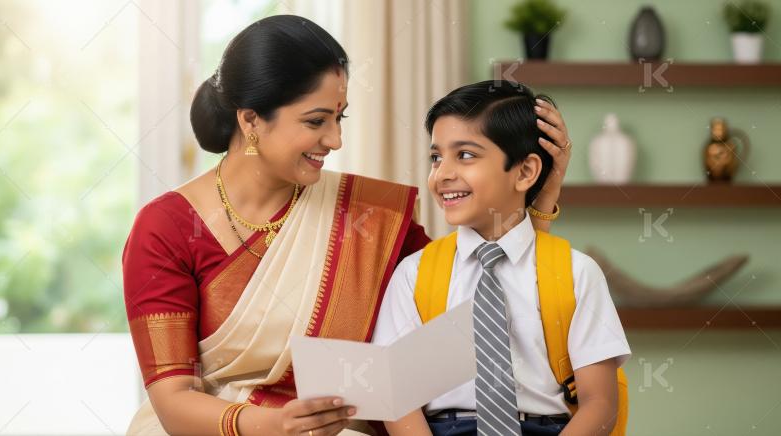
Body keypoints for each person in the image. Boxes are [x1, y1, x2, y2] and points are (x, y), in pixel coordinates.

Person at [122, 15, 572, 436]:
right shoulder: (166, 227)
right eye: (316, 121)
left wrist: (536, 201)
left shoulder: (366, 215)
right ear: (251, 120)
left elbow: (473, 307)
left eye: (340, 118)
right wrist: (277, 425)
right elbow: (173, 399)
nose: (335, 140)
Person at [373, 81, 630, 436]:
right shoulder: (414, 275)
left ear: (525, 172)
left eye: (464, 155)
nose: (443, 174)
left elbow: (600, 404)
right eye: (436, 157)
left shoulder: (577, 273)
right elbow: (399, 397)